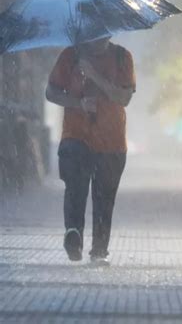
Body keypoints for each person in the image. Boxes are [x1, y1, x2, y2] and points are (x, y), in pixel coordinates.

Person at [46, 37, 135, 266]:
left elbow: (123, 97)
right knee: (75, 187)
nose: (99, 36)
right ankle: (73, 233)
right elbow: (51, 93)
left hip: (111, 141)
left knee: (105, 198)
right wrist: (79, 103)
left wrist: (94, 74)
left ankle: (99, 250)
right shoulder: (71, 55)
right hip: (76, 136)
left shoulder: (121, 57)